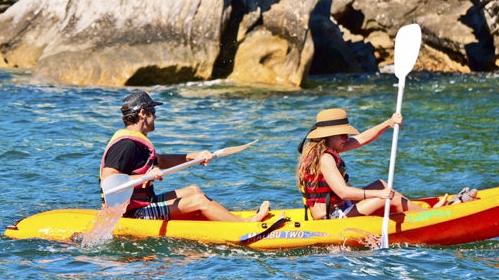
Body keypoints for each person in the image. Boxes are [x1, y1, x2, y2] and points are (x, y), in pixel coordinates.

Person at [100, 90, 270, 222]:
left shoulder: (137, 143)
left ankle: (219, 218)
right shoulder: (126, 145)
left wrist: (193, 157)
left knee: (193, 190)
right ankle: (246, 224)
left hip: (145, 204)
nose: (156, 115)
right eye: (153, 111)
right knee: (198, 200)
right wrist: (147, 176)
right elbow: (109, 180)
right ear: (143, 113)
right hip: (133, 214)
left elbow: (160, 161)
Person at [296, 108, 446, 220]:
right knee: (388, 196)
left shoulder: (325, 148)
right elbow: (343, 192)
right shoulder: (325, 158)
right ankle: (429, 216)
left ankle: (416, 210)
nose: (346, 138)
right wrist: (379, 195)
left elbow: (361, 139)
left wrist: (388, 123)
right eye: (342, 135)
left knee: (380, 184)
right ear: (327, 137)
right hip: (333, 217)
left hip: (340, 208)